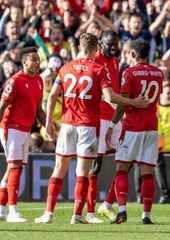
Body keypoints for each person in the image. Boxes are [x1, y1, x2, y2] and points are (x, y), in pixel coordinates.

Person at [34, 33, 148, 224]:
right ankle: (78, 215)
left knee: (59, 169)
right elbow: (110, 97)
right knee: (83, 171)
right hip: (87, 126)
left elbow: (53, 95)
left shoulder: (65, 67)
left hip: (68, 125)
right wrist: (133, 102)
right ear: (96, 49)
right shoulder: (98, 69)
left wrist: (48, 123)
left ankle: (48, 213)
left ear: (79, 47)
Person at [107, 38, 163, 225]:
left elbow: (124, 101)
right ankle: (146, 215)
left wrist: (112, 125)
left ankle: (122, 211)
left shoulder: (129, 72)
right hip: (152, 126)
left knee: (121, 169)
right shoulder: (158, 73)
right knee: (147, 172)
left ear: (132, 54)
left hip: (133, 126)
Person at [0, 47, 45, 222]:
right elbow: (2, 106)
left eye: (38, 59)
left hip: (25, 128)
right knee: (16, 167)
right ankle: (13, 212)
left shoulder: (39, 80)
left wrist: (48, 125)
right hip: (10, 127)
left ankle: (1, 210)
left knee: (12, 168)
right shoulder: (15, 81)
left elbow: (39, 108)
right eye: (33, 59)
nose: (37, 62)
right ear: (24, 62)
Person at [85, 30, 121, 224]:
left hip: (115, 116)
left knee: (126, 158)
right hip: (99, 117)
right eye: (110, 46)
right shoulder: (95, 61)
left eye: (116, 46)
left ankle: (106, 204)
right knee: (95, 165)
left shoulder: (115, 61)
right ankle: (90, 211)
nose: (114, 49)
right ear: (100, 44)